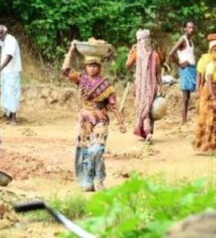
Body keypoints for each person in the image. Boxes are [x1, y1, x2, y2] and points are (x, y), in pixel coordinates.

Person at [62, 41, 126, 192]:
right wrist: (71, 49)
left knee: (96, 149)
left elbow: (113, 105)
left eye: (95, 65)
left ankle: (99, 179)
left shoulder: (105, 84)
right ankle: (86, 181)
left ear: (100, 67)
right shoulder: (81, 79)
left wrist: (121, 122)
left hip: (100, 119)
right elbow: (65, 70)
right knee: (83, 149)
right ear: (85, 67)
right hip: (84, 120)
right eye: (90, 65)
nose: (92, 68)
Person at [125, 29, 162, 143]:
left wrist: (130, 53)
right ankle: (148, 131)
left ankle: (146, 132)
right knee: (149, 108)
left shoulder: (136, 53)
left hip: (141, 86)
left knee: (143, 107)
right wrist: (160, 86)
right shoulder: (155, 54)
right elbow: (158, 72)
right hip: (151, 86)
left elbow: (127, 66)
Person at [168, 21, 197, 124]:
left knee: (189, 96)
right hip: (186, 70)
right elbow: (171, 53)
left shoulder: (191, 41)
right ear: (184, 28)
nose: (191, 30)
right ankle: (183, 121)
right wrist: (179, 63)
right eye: (189, 28)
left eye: (192, 28)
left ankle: (186, 119)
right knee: (185, 96)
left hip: (192, 69)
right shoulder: (182, 39)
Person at [193, 35, 216, 153]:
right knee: (207, 117)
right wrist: (198, 90)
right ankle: (204, 145)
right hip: (208, 90)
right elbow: (200, 76)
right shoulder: (206, 60)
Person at [0, 25, 22, 125]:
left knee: (11, 93)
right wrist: (0, 70)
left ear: (5, 32)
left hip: (12, 71)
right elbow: (3, 57)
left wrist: (0, 69)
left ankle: (14, 119)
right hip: (5, 72)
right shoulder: (3, 41)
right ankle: (10, 117)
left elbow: (10, 56)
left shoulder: (11, 40)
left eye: (0, 33)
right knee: (5, 94)